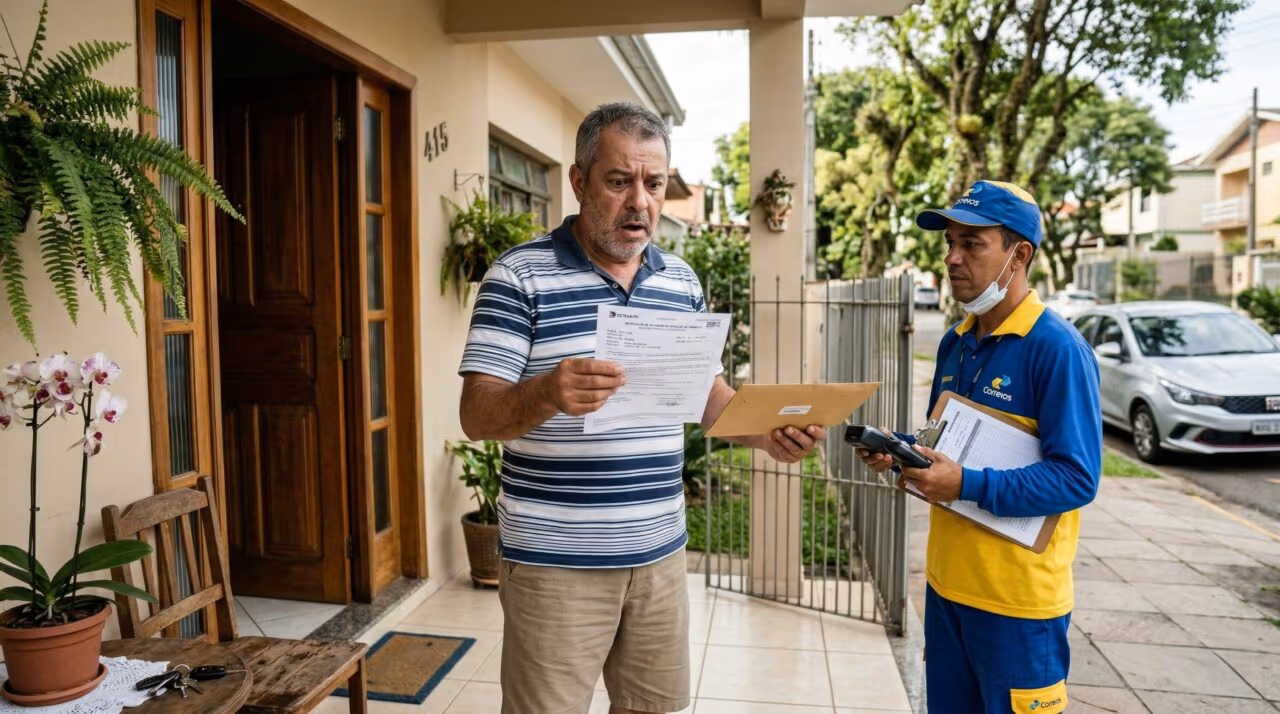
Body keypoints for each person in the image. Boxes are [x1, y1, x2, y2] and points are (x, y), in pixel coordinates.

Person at [457, 102, 827, 714]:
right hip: (555, 563)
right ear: (579, 182)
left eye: (653, 184)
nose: (640, 202)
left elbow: (706, 394)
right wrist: (548, 391)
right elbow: (478, 415)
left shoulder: (680, 282)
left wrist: (767, 435)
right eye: (618, 181)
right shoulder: (517, 277)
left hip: (659, 553)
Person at [857, 180, 1101, 714]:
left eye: (972, 244)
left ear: (1020, 255)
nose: (951, 258)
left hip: (1018, 608)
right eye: (949, 242)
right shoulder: (955, 340)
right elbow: (944, 442)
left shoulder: (1057, 350)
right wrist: (902, 451)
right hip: (945, 592)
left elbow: (1077, 479)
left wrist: (966, 484)